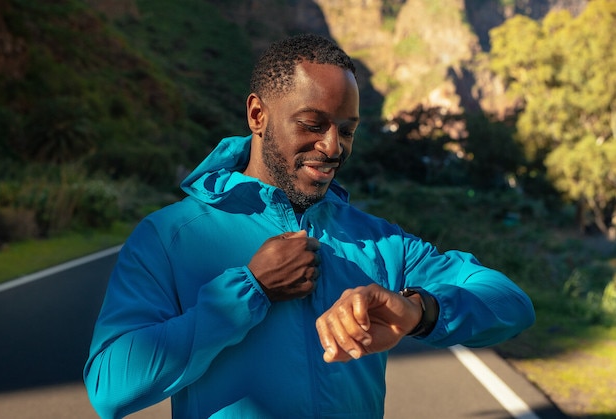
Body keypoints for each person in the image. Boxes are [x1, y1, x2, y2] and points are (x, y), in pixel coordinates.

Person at [84, 33, 535, 418]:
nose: (333, 146)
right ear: (258, 115)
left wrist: (417, 309)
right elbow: (109, 387)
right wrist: (249, 290)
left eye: (348, 129)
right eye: (313, 124)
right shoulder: (169, 236)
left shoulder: (380, 241)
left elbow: (510, 302)